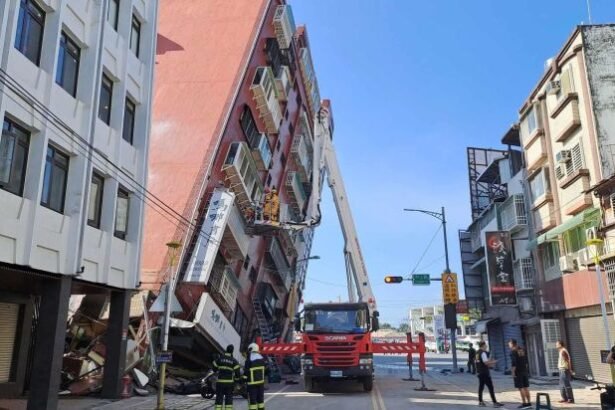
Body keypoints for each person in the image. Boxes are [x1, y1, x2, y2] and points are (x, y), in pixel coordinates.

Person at [476, 341, 504, 407]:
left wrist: (489, 362)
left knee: (481, 387)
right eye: (485, 345)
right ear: (483, 346)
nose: (486, 346)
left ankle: (480, 402)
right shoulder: (483, 353)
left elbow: (480, 362)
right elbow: (486, 363)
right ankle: (494, 403)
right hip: (484, 373)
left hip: (480, 372)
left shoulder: (477, 353)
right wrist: (493, 362)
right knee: (490, 387)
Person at [212, 344, 241, 410]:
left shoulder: (220, 359)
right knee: (229, 398)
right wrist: (236, 381)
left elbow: (214, 368)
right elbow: (237, 373)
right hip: (229, 384)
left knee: (219, 398)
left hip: (220, 383)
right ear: (232, 351)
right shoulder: (234, 361)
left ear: (226, 350)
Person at [509, 339, 531, 409]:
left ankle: (524, 403)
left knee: (521, 388)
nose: (509, 345)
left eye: (509, 344)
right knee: (526, 387)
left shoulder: (513, 352)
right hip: (524, 370)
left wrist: (513, 373)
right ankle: (529, 402)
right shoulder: (522, 350)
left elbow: (514, 363)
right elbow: (526, 361)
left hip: (518, 372)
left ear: (512, 344)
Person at [245, 342, 267, 410]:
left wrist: (242, 380)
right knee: (260, 400)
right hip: (261, 383)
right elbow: (266, 370)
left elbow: (246, 373)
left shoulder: (249, 360)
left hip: (252, 384)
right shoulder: (262, 359)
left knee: (253, 401)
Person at [556, 340, 575, 404]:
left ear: (560, 345)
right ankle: (564, 398)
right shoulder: (561, 351)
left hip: (564, 369)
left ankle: (570, 399)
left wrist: (570, 369)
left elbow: (568, 360)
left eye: (557, 344)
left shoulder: (563, 351)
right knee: (561, 385)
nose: (556, 345)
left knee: (566, 384)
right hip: (561, 369)